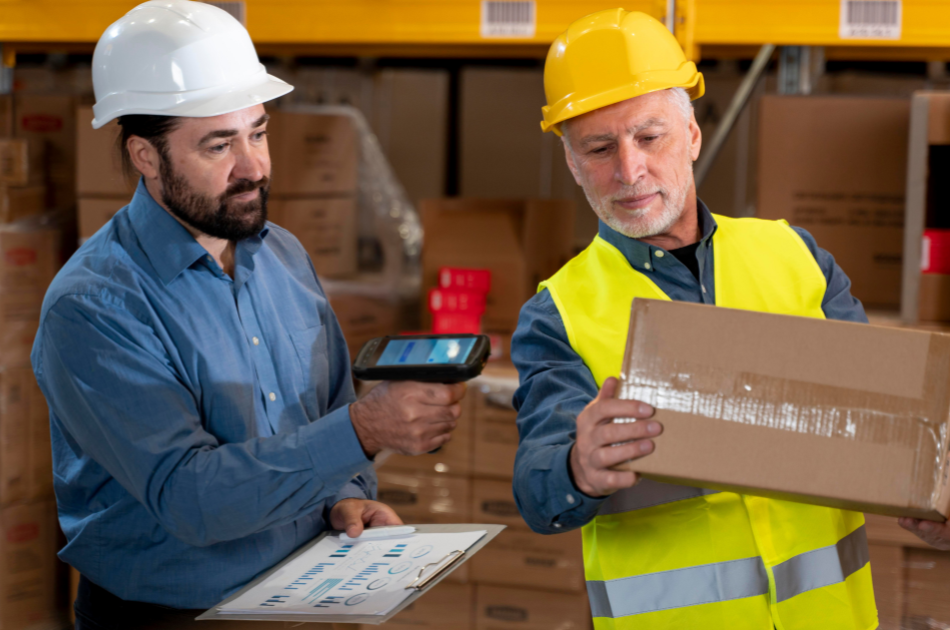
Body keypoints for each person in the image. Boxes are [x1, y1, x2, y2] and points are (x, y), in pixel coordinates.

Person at [511, 8, 948, 630]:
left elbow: (892, 427)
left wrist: (936, 494)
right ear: (573, 163)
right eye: (599, 149)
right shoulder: (558, 313)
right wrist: (576, 468)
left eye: (649, 137)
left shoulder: (795, 256)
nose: (629, 171)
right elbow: (537, 488)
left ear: (691, 135)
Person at [31, 2, 464, 628]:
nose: (254, 167)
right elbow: (190, 497)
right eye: (219, 145)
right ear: (146, 155)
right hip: (167, 616)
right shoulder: (95, 306)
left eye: (257, 133)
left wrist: (343, 498)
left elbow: (325, 410)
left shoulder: (282, 255)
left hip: (306, 593)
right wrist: (366, 430)